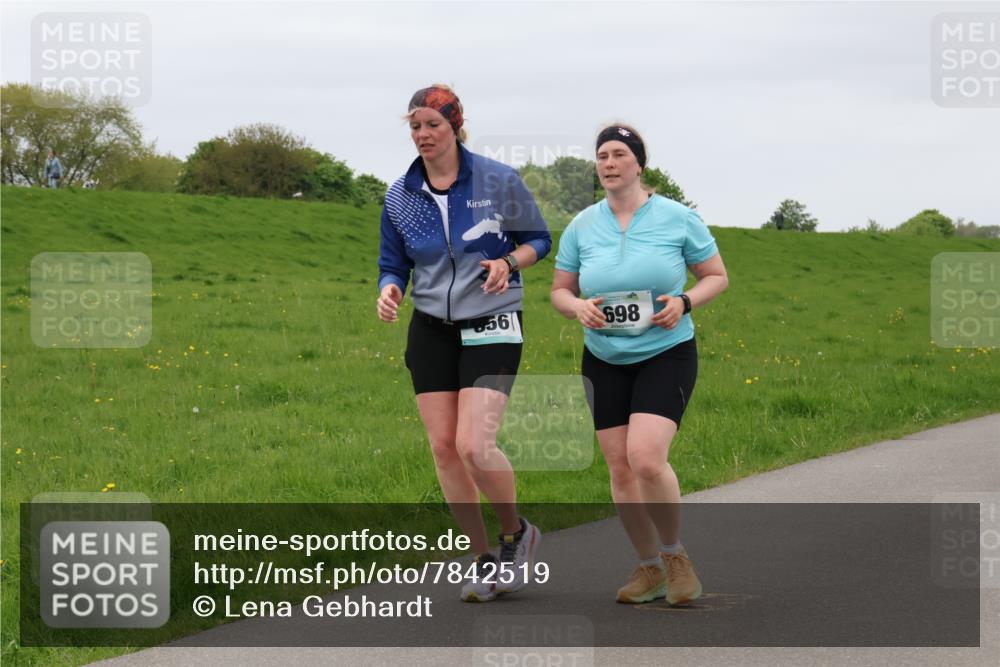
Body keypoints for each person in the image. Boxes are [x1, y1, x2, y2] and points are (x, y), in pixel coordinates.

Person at [376, 84, 551, 602]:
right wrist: (388, 288)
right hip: (430, 327)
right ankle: (480, 560)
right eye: (415, 125)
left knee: (475, 445)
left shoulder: (498, 180)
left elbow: (539, 239)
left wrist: (507, 263)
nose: (423, 134)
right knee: (445, 450)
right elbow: (393, 261)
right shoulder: (400, 194)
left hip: (492, 322)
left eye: (432, 124)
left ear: (455, 125)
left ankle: (516, 534)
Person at [550, 124, 729, 605]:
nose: (608, 163)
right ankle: (649, 569)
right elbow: (560, 289)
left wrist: (686, 302)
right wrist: (576, 307)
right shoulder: (582, 224)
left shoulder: (677, 218)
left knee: (646, 458)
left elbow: (716, 276)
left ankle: (676, 558)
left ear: (638, 164)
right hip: (605, 356)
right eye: (601, 156)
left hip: (665, 352)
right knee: (620, 467)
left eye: (618, 155)